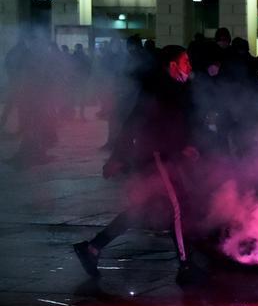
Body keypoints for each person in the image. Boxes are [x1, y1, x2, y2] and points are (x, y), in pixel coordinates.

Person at [73, 45, 202, 285]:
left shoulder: (175, 89)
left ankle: (91, 248)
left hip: (166, 155)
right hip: (156, 156)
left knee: (143, 210)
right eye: (185, 61)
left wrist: (187, 145)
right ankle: (186, 265)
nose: (189, 66)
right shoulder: (158, 89)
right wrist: (117, 157)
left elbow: (178, 124)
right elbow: (134, 122)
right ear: (172, 65)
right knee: (178, 207)